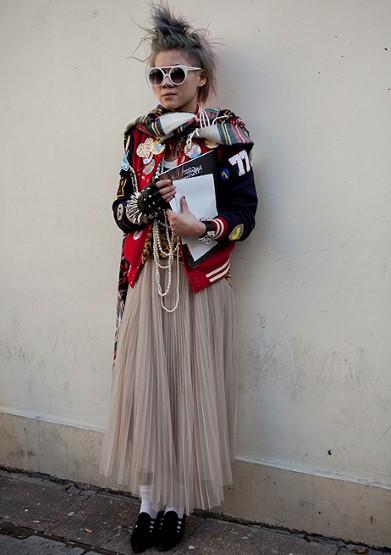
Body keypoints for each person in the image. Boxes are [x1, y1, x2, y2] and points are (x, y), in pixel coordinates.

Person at [99, 4, 258, 553]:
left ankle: (175, 506)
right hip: (147, 280)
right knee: (147, 394)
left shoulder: (227, 136)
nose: (165, 84)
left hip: (198, 283)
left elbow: (246, 215)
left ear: (200, 80)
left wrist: (203, 225)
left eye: (176, 74)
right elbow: (120, 213)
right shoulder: (136, 137)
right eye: (156, 74)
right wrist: (145, 203)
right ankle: (146, 504)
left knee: (188, 392)